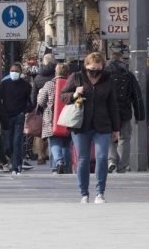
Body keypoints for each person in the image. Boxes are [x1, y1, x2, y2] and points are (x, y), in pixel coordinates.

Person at [60, 52, 119, 204]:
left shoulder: (107, 79)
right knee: (83, 159)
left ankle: (100, 193)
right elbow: (62, 96)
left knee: (101, 158)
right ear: (86, 66)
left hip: (102, 124)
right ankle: (84, 193)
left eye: (98, 69)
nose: (95, 71)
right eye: (92, 68)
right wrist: (74, 94)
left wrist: (115, 128)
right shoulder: (77, 77)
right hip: (81, 125)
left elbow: (112, 104)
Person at [105, 52, 145, 173]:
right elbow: (137, 96)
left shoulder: (104, 74)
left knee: (108, 136)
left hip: (107, 112)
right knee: (124, 138)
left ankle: (111, 160)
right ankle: (122, 166)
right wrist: (139, 115)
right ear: (121, 61)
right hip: (124, 112)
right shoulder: (128, 75)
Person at [37, 63, 71, 174]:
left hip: (51, 119)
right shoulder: (70, 84)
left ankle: (58, 162)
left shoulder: (49, 84)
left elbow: (41, 102)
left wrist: (39, 94)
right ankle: (66, 168)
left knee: (54, 142)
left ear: (55, 72)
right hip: (68, 118)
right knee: (66, 144)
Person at [0, 62, 32, 175]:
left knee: (17, 141)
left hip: (19, 116)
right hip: (6, 117)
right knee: (8, 143)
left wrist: (24, 112)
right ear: (9, 72)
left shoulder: (26, 86)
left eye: (16, 71)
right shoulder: (4, 84)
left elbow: (31, 102)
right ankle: (14, 161)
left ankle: (16, 166)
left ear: (20, 72)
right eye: (12, 71)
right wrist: (1, 113)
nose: (14, 73)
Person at [31, 54, 55, 165]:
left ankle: (40, 155)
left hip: (41, 107)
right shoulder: (55, 75)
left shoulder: (37, 77)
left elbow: (33, 95)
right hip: (55, 107)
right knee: (52, 132)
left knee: (40, 133)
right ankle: (48, 154)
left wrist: (35, 106)